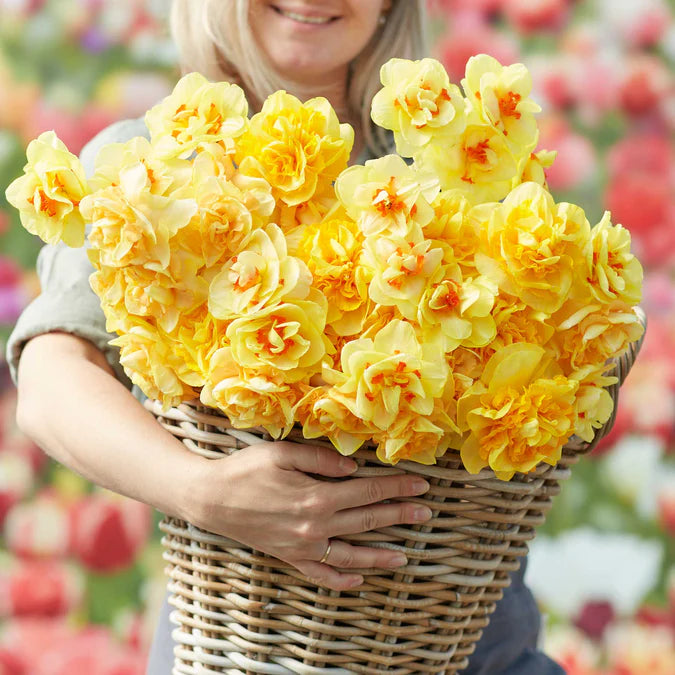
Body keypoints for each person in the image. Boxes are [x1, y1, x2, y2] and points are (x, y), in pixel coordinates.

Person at [7, 1, 565, 673]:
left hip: (480, 650)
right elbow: (51, 374)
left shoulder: (458, 159)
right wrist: (199, 490)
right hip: (249, 645)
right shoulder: (149, 168)